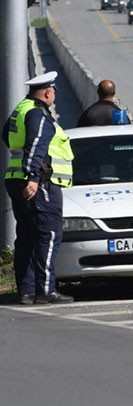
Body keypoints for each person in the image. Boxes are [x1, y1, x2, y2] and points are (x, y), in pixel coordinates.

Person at [2, 72, 74, 305]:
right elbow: (35, 146)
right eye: (53, 92)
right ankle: (45, 290)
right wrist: (34, 176)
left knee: (28, 236)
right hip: (39, 183)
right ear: (48, 92)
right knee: (49, 234)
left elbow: (7, 135)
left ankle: (27, 290)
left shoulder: (21, 109)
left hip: (16, 178)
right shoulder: (38, 114)